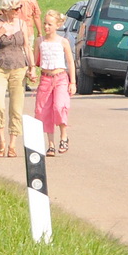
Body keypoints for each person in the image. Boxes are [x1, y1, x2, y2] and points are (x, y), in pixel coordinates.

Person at [0, 0, 36, 157]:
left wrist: (32, 67)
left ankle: (12, 144)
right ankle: (1, 141)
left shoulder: (21, 24)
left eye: (19, 8)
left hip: (18, 68)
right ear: (5, 9)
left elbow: (27, 47)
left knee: (16, 108)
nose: (18, 11)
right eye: (15, 9)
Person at [34, 10, 76, 153]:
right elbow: (35, 61)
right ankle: (50, 144)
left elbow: (70, 62)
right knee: (43, 111)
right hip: (45, 78)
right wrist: (31, 71)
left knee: (59, 107)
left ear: (57, 25)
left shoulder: (63, 42)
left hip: (60, 78)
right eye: (45, 23)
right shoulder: (39, 41)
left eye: (49, 24)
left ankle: (64, 136)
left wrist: (73, 82)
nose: (46, 27)